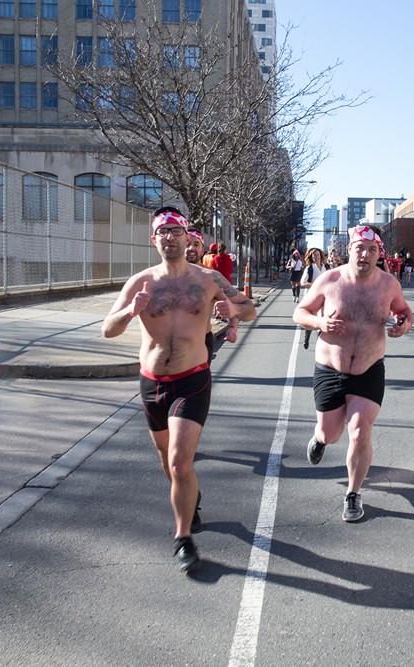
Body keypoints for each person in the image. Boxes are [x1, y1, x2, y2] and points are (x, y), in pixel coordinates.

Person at [102, 209, 257, 575]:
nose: (169, 238)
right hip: (152, 382)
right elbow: (108, 329)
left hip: (193, 378)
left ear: (189, 238)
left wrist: (231, 306)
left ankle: (183, 538)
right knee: (167, 463)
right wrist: (129, 314)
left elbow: (249, 310)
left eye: (176, 231)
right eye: (162, 233)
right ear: (153, 240)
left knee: (179, 461)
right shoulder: (140, 282)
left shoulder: (209, 278)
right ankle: (191, 495)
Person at [293, 225, 413, 522]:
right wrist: (319, 324)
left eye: (372, 250)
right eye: (360, 248)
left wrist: (403, 324)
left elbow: (405, 311)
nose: (365, 254)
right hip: (330, 369)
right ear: (350, 250)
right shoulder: (330, 280)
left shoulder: (388, 284)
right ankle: (319, 440)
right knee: (330, 433)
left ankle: (353, 493)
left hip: (369, 369)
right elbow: (300, 312)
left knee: (360, 432)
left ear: (378, 254)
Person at [300, 248, 326, 350]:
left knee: (322, 318)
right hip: (312, 297)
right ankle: (306, 338)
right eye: (314, 255)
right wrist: (315, 286)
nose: (316, 257)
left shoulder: (325, 267)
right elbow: (303, 282)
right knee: (311, 319)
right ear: (311, 257)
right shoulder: (309, 268)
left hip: (324, 297)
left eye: (318, 254)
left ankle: (320, 342)